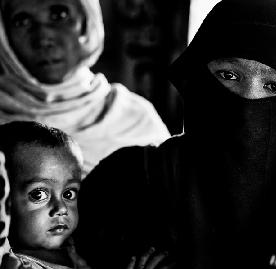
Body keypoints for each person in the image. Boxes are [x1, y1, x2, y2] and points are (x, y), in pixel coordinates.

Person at [74, 0, 276, 269]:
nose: (247, 102)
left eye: (274, 87)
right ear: (196, 80)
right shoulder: (124, 184)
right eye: (228, 75)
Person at [0, 121, 173, 269]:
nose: (61, 209)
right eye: (38, 195)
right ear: (4, 202)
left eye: (69, 194)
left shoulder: (71, 245)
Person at [0, 0, 170, 177]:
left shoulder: (134, 117)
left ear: (86, 22)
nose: (43, 38)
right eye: (22, 21)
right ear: (4, 34)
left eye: (59, 15)